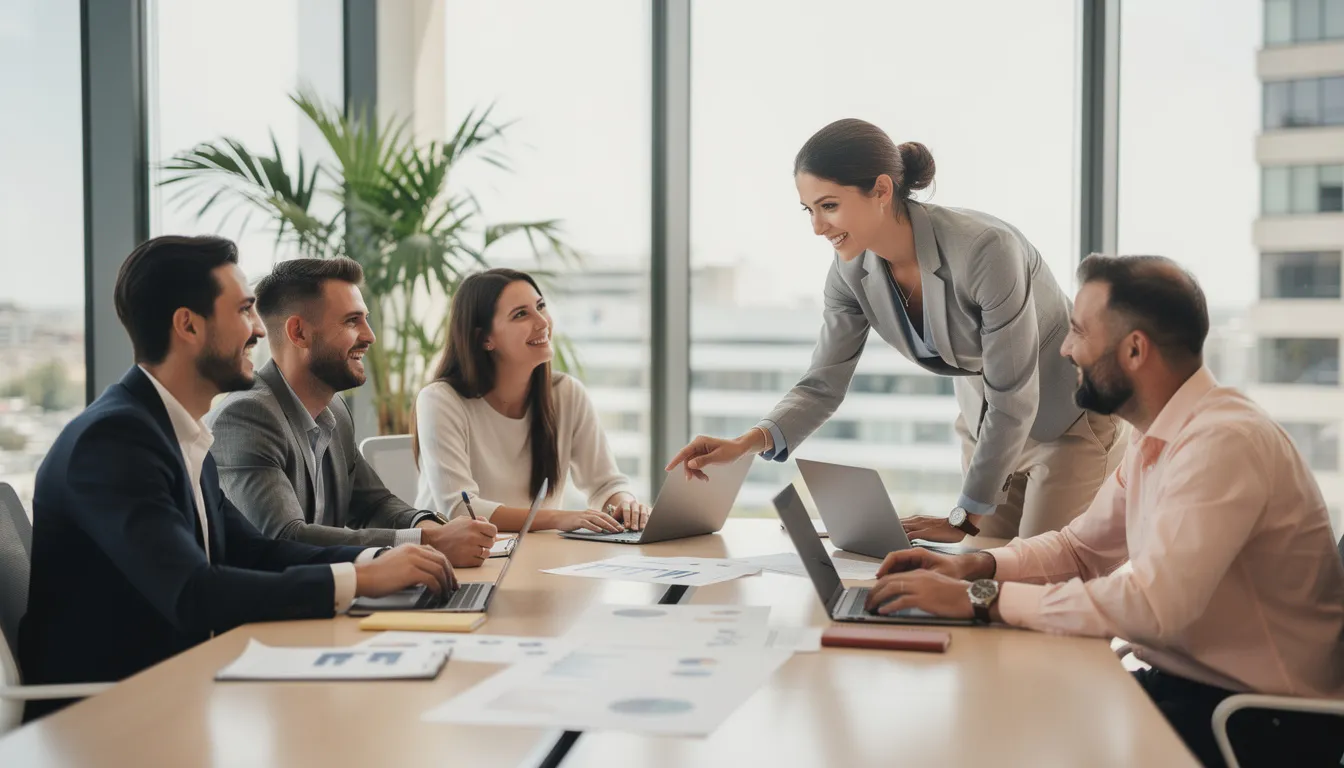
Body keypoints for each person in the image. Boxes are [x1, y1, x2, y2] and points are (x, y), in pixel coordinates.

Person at [864, 254, 1344, 766]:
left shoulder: (1224, 443)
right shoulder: (1159, 433)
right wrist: (975, 566)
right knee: (996, 712)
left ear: (1135, 349)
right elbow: (1081, 548)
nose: (1067, 350)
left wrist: (981, 599)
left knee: (1009, 734)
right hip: (1187, 690)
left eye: (1077, 332)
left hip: (1253, 724)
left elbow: (1153, 608)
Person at [18, 236, 455, 721]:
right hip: (111, 716)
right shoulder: (114, 440)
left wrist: (379, 561)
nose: (258, 331)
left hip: (183, 688)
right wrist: (359, 576)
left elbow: (256, 550)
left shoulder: (180, 433)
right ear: (187, 325)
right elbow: (193, 594)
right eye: (245, 311)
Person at [667, 118, 1125, 542]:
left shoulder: (987, 249)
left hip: (1065, 423)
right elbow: (822, 383)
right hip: (987, 428)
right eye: (808, 209)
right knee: (981, 579)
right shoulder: (850, 269)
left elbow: (1014, 394)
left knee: (1040, 580)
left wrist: (964, 515)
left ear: (881, 190)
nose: (817, 227)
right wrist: (748, 443)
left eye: (829, 206)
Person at [205, 258, 497, 568]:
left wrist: (436, 530)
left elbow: (374, 504)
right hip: (271, 611)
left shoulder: (334, 410)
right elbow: (284, 538)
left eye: (365, 319)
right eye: (351, 321)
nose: (369, 335)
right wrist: (430, 542)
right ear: (299, 333)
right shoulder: (246, 416)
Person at [412, 268, 650, 533]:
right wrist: (559, 519)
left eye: (541, 306)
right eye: (521, 314)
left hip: (536, 558)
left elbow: (605, 485)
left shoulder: (566, 394)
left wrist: (626, 504)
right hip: (459, 563)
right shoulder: (440, 400)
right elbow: (460, 510)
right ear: (485, 339)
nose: (542, 322)